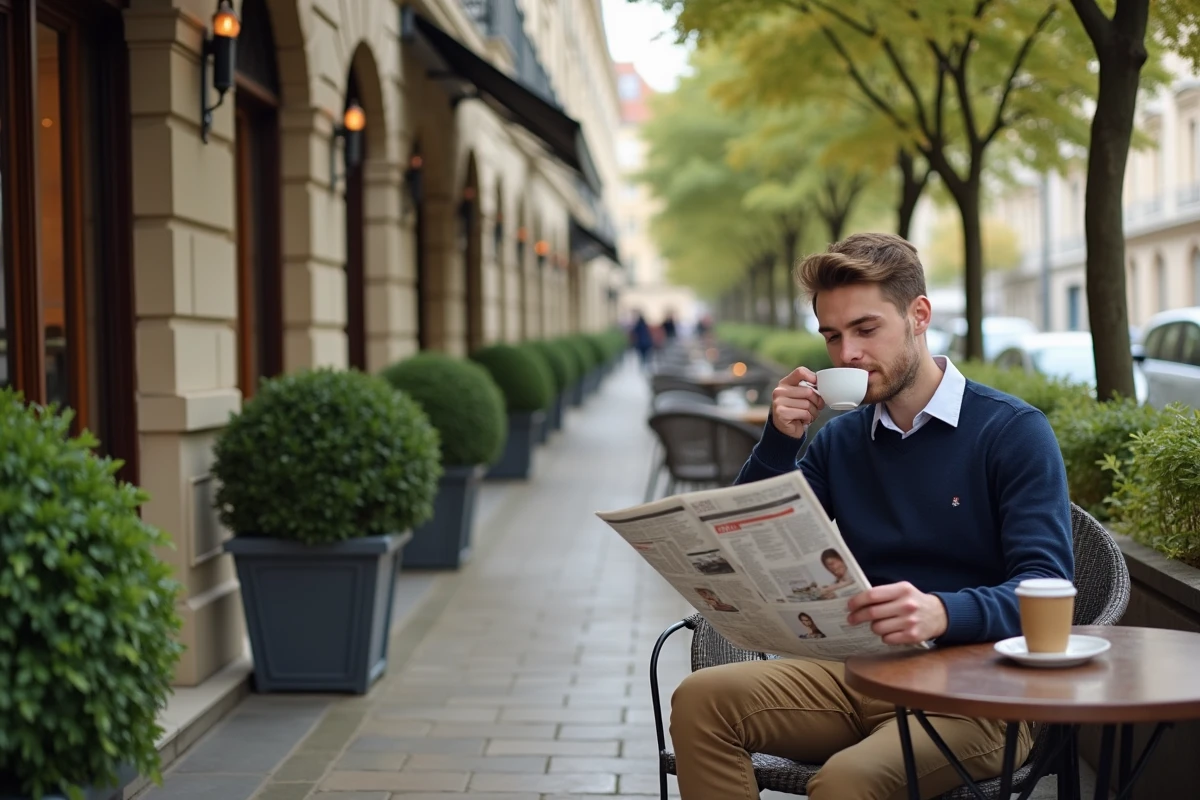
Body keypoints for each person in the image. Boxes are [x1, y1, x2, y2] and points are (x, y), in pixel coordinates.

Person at [668, 232, 1073, 800]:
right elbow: (745, 546)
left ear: (919, 315)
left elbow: (1048, 588)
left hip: (979, 695)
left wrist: (941, 612)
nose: (847, 354)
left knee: (846, 782)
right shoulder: (842, 440)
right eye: (832, 337)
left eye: (865, 329)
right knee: (701, 700)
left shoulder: (1011, 432)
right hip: (857, 672)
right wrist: (779, 444)